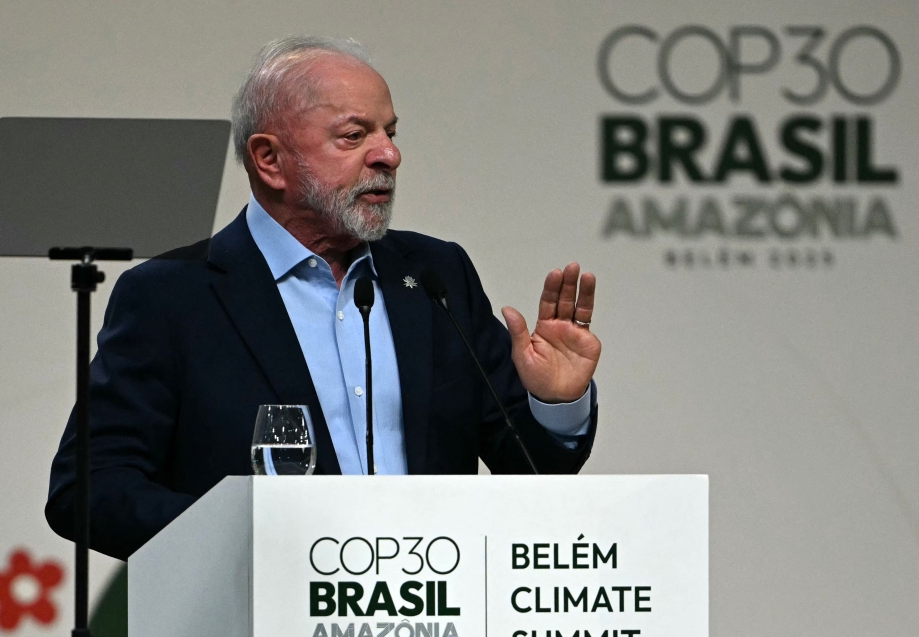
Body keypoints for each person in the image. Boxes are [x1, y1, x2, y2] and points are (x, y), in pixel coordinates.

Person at [46, 36, 601, 561]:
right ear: (269, 160)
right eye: (354, 136)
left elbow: (531, 473)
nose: (389, 155)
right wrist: (249, 543)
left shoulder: (437, 275)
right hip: (258, 634)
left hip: (432, 631)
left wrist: (554, 407)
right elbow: (89, 489)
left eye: (390, 132)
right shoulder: (173, 296)